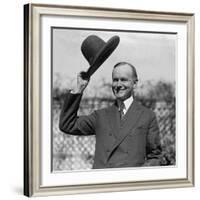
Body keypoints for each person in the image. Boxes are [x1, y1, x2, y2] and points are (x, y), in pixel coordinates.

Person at [59, 61, 162, 169]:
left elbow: (154, 157)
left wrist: (137, 177)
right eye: (115, 80)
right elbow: (67, 125)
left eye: (123, 80)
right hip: (102, 183)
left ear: (135, 84)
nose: (118, 84)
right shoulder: (100, 116)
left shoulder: (147, 116)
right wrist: (79, 88)